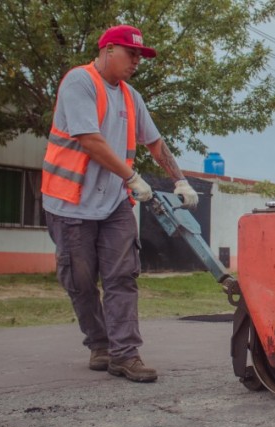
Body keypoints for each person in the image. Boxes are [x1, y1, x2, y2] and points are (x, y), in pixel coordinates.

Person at [41, 25, 198, 383]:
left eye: (140, 56)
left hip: (114, 204)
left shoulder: (131, 97)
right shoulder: (78, 83)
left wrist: (180, 179)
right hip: (70, 204)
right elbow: (89, 140)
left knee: (122, 277)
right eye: (132, 54)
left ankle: (125, 355)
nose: (137, 62)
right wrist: (131, 176)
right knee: (80, 282)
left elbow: (156, 143)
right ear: (108, 50)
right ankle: (100, 345)